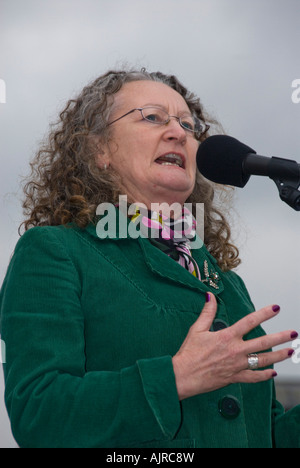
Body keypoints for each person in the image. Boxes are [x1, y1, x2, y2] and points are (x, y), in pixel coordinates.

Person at [0, 68, 299, 448]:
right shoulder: (55, 252)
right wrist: (175, 377)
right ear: (100, 150)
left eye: (189, 126)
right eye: (153, 117)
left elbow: (264, 434)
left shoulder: (227, 284)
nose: (179, 132)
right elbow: (39, 414)